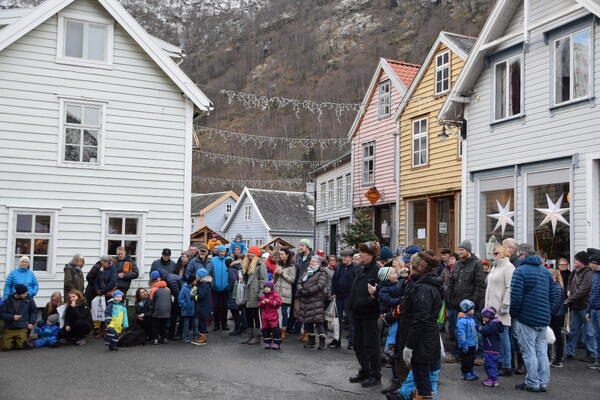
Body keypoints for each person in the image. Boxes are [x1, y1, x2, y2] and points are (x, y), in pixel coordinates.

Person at [394, 250, 443, 400]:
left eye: (411, 265)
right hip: (424, 340)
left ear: (419, 268)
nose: (408, 267)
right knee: (422, 380)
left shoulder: (424, 288)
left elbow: (420, 320)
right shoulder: (418, 284)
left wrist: (410, 346)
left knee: (424, 386)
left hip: (422, 343)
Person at [510, 243, 553, 392]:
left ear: (522, 255)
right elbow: (552, 295)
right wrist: (548, 312)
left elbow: (515, 297)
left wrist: (514, 314)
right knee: (541, 351)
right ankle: (542, 381)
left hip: (526, 317)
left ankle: (532, 381)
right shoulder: (545, 271)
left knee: (529, 352)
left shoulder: (520, 271)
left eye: (518, 255)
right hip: (543, 317)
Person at [349, 241, 382, 388]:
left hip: (369, 314)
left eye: (363, 252)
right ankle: (365, 370)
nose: (360, 254)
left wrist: (363, 302)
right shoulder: (361, 268)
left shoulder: (377, 270)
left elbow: (379, 293)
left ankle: (375, 375)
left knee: (371, 345)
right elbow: (355, 289)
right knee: (357, 344)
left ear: (371, 254)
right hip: (357, 313)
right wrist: (351, 303)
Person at [447, 240, 485, 363]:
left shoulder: (477, 264)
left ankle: (479, 355)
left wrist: (472, 303)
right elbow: (451, 282)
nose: (460, 251)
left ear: (468, 250)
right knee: (457, 330)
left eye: (462, 249)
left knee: (474, 330)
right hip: (456, 304)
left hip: (470, 305)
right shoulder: (457, 265)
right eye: (459, 249)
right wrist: (450, 298)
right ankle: (457, 353)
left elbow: (480, 285)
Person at [484, 245, 515, 376]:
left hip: (501, 307)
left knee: (504, 336)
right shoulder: (494, 267)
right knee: (495, 336)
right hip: (491, 307)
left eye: (496, 253)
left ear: (503, 253)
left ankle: (507, 364)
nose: (494, 255)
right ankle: (499, 361)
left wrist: (505, 305)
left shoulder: (509, 267)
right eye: (493, 253)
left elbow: (510, 287)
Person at [377, 266, 406, 395]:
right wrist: (400, 301)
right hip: (390, 314)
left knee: (396, 330)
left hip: (396, 313)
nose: (397, 274)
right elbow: (388, 300)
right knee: (393, 331)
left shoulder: (397, 284)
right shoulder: (384, 289)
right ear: (388, 277)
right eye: (394, 273)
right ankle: (390, 347)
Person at [566, 250, 595, 362]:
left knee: (589, 331)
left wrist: (570, 298)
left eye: (576, 259)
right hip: (576, 305)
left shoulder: (588, 273)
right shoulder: (575, 271)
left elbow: (583, 289)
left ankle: (591, 353)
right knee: (573, 330)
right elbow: (569, 281)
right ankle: (570, 352)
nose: (574, 261)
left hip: (584, 306)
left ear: (582, 262)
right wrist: (568, 290)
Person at [297, 255, 328, 350]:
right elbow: (299, 282)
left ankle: (322, 342)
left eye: (313, 262)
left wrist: (309, 291)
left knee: (318, 322)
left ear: (318, 263)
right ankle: (311, 341)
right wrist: (301, 290)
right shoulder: (307, 271)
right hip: (305, 300)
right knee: (308, 322)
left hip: (316, 300)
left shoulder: (322, 272)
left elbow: (320, 285)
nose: (311, 263)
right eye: (311, 261)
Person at [329, 248, 357, 349]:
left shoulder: (355, 268)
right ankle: (337, 340)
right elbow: (334, 280)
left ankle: (352, 342)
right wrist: (333, 292)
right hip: (338, 297)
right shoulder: (339, 267)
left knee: (351, 320)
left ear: (351, 257)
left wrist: (352, 297)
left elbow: (356, 284)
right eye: (343, 256)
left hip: (349, 298)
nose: (343, 258)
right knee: (337, 320)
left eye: (345, 256)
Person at [241, 246, 268, 345]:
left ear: (257, 254)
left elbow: (263, 280)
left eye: (252, 253)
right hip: (247, 293)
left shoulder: (260, 263)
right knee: (248, 315)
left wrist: (261, 293)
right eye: (249, 252)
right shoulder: (246, 263)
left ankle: (256, 337)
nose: (250, 254)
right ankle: (250, 336)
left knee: (255, 315)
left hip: (255, 293)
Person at [0, 284, 37, 351]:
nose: (26, 295)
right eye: (24, 293)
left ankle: (17, 340)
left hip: (21, 327)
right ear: (19, 293)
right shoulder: (7, 301)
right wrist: (12, 317)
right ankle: (12, 340)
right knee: (5, 347)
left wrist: (31, 322)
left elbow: (34, 312)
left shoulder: (29, 300)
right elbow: (2, 314)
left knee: (21, 346)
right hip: (9, 328)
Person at [292, 239, 314, 336]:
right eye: (300, 245)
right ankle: (298, 328)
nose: (300, 247)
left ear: (307, 246)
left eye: (302, 245)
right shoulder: (298, 257)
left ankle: (306, 332)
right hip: (297, 285)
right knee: (297, 309)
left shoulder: (313, 257)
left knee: (306, 310)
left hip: (308, 285)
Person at [478, 306, 503, 387]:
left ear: (489, 316)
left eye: (484, 317)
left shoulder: (493, 324)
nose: (482, 318)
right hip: (494, 349)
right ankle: (492, 378)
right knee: (492, 364)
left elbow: (486, 331)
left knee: (490, 364)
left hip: (491, 349)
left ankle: (493, 380)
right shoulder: (494, 323)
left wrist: (478, 327)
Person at [274, 248, 296, 335]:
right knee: (276, 312)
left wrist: (282, 273)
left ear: (287, 255)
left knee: (284, 312)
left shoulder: (292, 266)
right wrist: (275, 273)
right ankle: (276, 329)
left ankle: (283, 330)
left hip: (286, 292)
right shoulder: (278, 265)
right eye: (280, 254)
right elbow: (275, 279)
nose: (280, 256)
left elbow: (292, 280)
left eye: (282, 254)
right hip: (277, 291)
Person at [209, 245, 231, 331]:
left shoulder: (229, 259)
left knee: (225, 307)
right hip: (215, 288)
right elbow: (210, 272)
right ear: (218, 252)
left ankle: (224, 323)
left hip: (226, 288)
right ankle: (216, 324)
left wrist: (229, 284)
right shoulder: (213, 260)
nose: (222, 253)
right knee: (216, 307)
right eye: (220, 251)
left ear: (225, 252)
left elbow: (232, 272)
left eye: (223, 251)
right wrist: (212, 284)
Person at [456, 299, 478, 380]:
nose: (473, 310)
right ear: (466, 309)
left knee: (472, 359)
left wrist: (476, 342)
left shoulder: (471, 320)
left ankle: (471, 369)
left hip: (472, 343)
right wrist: (463, 344)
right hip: (466, 344)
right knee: (466, 360)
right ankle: (465, 373)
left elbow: (474, 333)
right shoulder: (461, 321)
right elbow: (461, 333)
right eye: (471, 309)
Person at [549, 269, 566, 368]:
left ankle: (558, 359)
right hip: (554, 314)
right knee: (556, 336)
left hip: (556, 316)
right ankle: (555, 358)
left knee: (557, 336)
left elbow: (555, 304)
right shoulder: (554, 286)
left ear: (554, 277)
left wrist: (549, 314)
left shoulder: (557, 287)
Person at [587, 248, 600, 370]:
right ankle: (598, 360)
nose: (589, 264)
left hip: (599, 309)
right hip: (594, 309)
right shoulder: (595, 275)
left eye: (590, 262)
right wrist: (589, 310)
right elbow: (592, 294)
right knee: (597, 335)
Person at [191, 268, 212, 346]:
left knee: (202, 322)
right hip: (202, 307)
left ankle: (203, 338)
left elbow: (200, 296)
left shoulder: (204, 285)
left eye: (197, 275)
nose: (196, 276)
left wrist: (193, 297)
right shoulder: (203, 283)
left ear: (201, 276)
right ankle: (201, 336)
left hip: (203, 307)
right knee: (201, 321)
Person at [149, 272, 172, 345]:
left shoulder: (153, 289)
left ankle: (155, 339)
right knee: (164, 325)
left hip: (157, 311)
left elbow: (151, 301)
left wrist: (151, 310)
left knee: (155, 325)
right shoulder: (167, 289)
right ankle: (164, 338)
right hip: (167, 311)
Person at [259, 281, 283, 350]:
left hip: (273, 317)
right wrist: (262, 303)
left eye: (268, 287)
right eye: (265, 287)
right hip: (264, 317)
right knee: (265, 330)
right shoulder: (263, 296)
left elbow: (279, 303)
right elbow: (260, 305)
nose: (266, 289)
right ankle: (267, 342)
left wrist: (270, 302)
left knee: (275, 330)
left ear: (272, 288)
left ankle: (276, 343)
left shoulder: (275, 295)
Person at [179, 275, 197, 344]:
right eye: (194, 280)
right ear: (191, 281)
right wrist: (185, 306)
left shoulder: (195, 288)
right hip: (186, 311)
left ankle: (195, 336)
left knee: (195, 324)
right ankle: (186, 337)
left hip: (194, 310)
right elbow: (180, 299)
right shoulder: (184, 289)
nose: (195, 281)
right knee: (186, 325)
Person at [227, 258, 243, 336]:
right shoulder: (240, 268)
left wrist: (228, 289)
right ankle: (242, 327)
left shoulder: (231, 269)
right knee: (240, 311)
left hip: (234, 293)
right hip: (241, 292)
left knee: (235, 312)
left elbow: (233, 282)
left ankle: (237, 329)